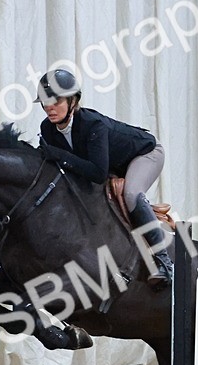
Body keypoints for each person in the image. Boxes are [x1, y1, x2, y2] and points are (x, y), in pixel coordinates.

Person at [35, 68, 173, 288]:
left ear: (73, 100)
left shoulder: (92, 124)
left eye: (56, 100)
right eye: (44, 101)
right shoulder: (47, 129)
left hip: (145, 154)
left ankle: (164, 261)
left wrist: (61, 156)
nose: (49, 107)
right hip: (112, 164)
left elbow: (98, 174)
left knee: (130, 194)